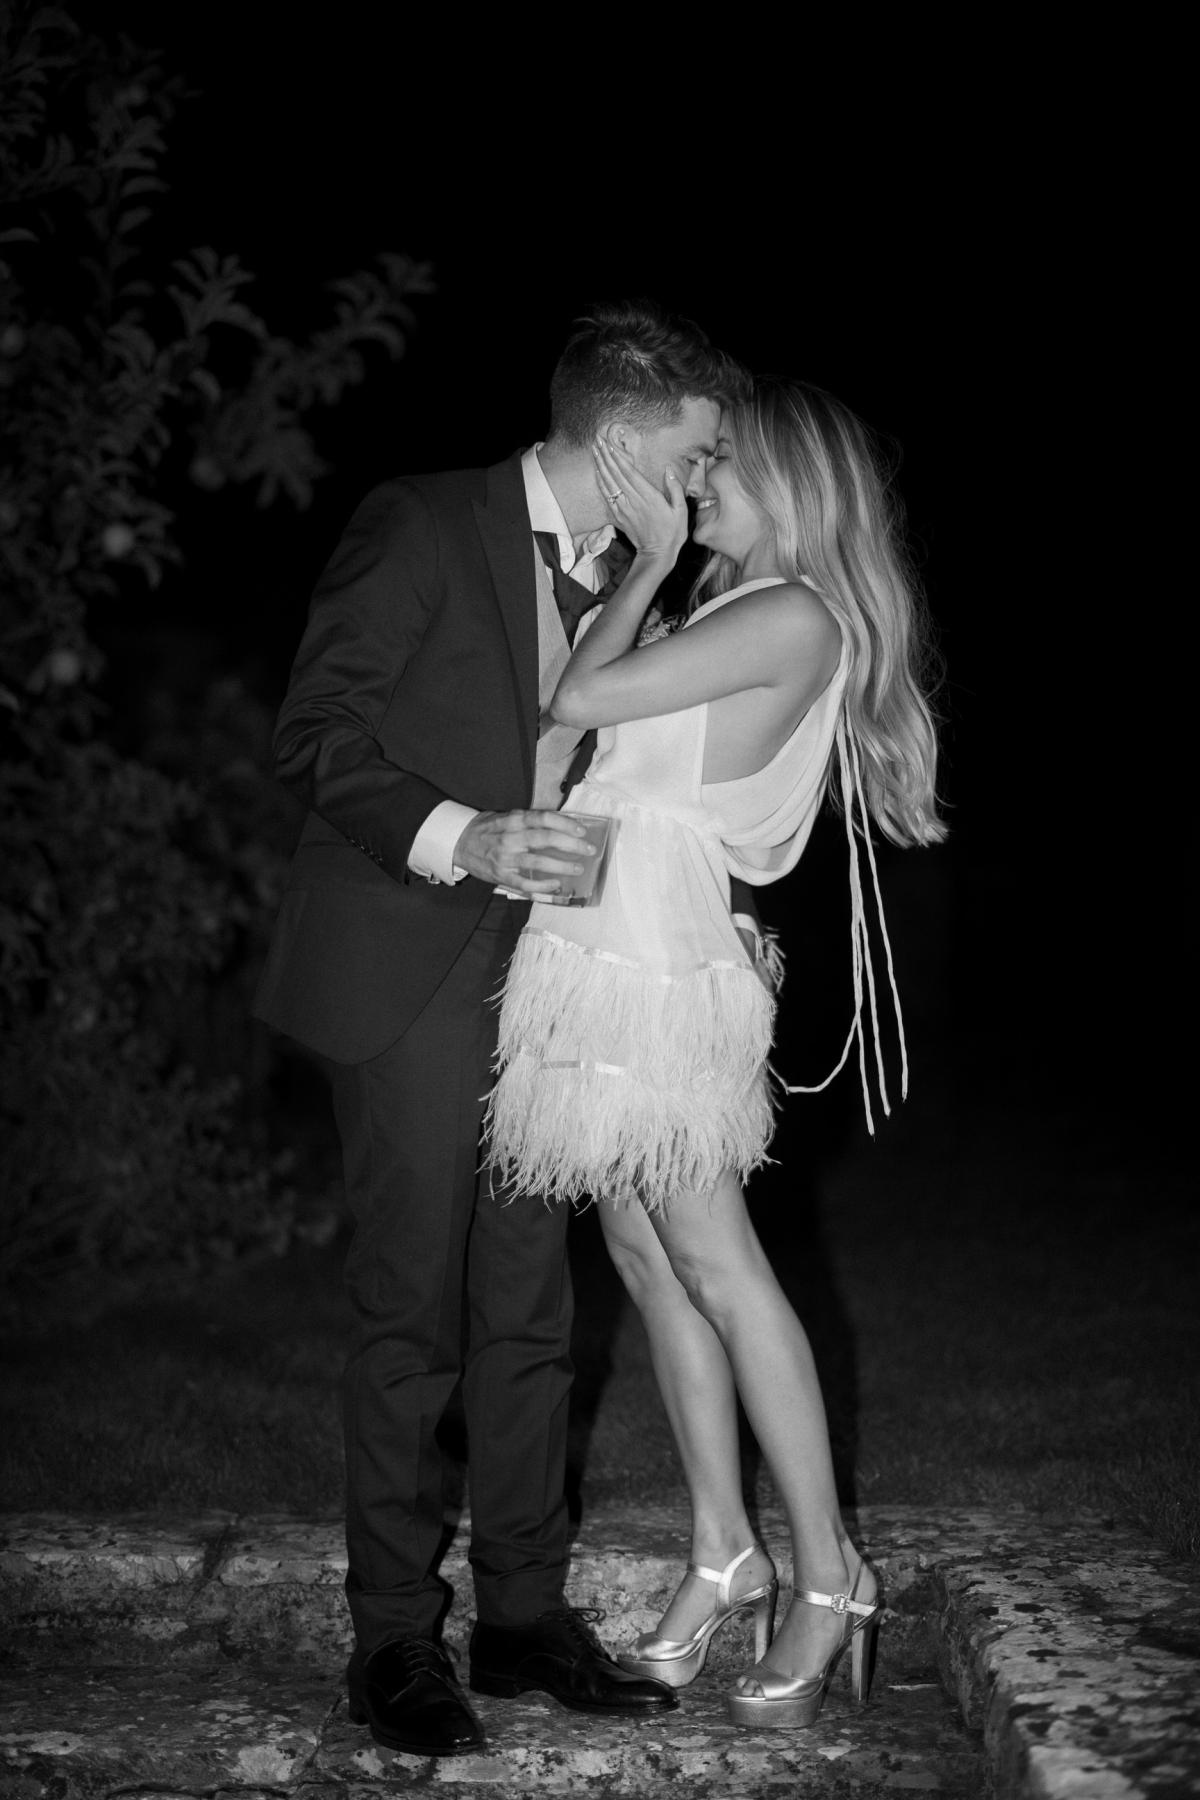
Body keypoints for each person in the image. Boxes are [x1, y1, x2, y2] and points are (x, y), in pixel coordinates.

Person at [252, 301, 760, 1757]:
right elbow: (317, 733)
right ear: (622, 441)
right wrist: (466, 839)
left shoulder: (644, 578)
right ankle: (394, 1639)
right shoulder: (420, 523)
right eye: (695, 454)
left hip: (553, 976)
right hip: (409, 960)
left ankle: (523, 1617)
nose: (709, 482)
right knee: (411, 1314)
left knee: (533, 1310)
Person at [487, 375, 945, 1728]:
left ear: (792, 485)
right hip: (608, 944)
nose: (697, 486)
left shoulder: (791, 611)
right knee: (647, 1259)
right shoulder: (732, 609)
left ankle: (831, 1571)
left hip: (657, 967)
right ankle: (723, 1548)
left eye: (721, 466)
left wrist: (642, 559)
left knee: (720, 1265)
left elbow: (582, 692)